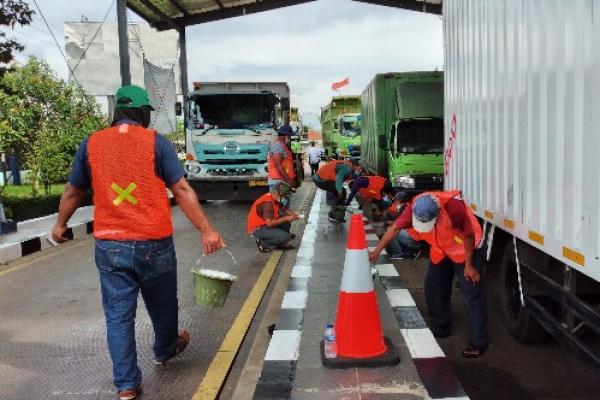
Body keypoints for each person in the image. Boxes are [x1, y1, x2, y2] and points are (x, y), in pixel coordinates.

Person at [51, 85, 225, 400]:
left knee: (118, 316)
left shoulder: (91, 143)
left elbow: (73, 192)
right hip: (153, 242)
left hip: (111, 246)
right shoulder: (155, 143)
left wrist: (60, 224)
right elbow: (182, 190)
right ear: (143, 113)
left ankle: (127, 386)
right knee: (163, 304)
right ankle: (164, 348)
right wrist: (206, 229)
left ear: (117, 111)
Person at [368, 191, 487, 358]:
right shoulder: (415, 206)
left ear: (437, 214)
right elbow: (395, 228)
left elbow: (468, 235)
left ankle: (478, 341)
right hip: (442, 248)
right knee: (434, 286)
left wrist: (469, 265)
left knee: (471, 294)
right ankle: (441, 328)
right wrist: (377, 251)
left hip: (466, 249)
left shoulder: (454, 207)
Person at [248, 182, 299, 252]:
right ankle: (263, 243)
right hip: (258, 228)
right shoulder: (267, 204)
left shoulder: (275, 198)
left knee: (286, 219)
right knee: (286, 237)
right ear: (276, 193)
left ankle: (280, 243)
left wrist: (293, 215)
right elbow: (270, 223)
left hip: (265, 224)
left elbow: (283, 208)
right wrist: (286, 218)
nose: (286, 197)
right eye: (285, 195)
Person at [268, 125, 296, 191]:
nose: (290, 138)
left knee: (283, 201)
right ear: (285, 136)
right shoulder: (278, 147)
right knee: (279, 201)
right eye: (289, 136)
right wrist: (288, 180)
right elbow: (278, 165)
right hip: (278, 181)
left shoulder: (283, 146)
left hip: (281, 181)